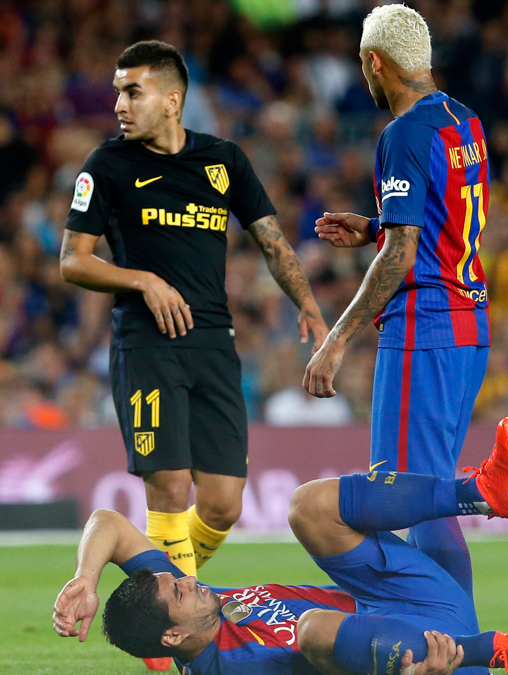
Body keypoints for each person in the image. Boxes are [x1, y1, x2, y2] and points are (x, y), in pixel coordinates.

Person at [59, 39, 327, 648]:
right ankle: (176, 630)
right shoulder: (106, 164)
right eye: (118, 92)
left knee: (225, 505)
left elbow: (271, 241)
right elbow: (72, 261)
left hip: (213, 344)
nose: (120, 104)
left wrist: (308, 304)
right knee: (169, 486)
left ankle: (159, 584)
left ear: (172, 100)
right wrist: (143, 280)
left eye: (134, 91)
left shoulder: (223, 160)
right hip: (145, 345)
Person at [52, 418, 508, 675]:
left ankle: (479, 492)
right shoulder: (231, 669)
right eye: (179, 592)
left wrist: (85, 580)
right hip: (424, 650)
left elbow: (108, 522)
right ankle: (497, 650)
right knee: (313, 629)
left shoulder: (194, 610)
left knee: (307, 506)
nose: (189, 579)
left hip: (401, 596)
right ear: (173, 637)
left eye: (177, 579)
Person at [302, 8, 493, 672]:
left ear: (374, 62)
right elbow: (437, 224)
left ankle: (464, 655)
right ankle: (455, 648)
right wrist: (377, 227)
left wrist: (336, 338)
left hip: (424, 328)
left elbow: (404, 255)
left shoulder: (403, 132)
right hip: (468, 322)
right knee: (424, 494)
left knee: (410, 497)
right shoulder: (464, 120)